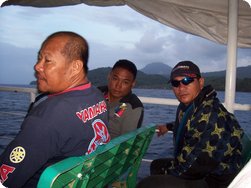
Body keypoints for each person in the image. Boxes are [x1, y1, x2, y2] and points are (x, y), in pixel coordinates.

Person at [0, 31, 110, 188]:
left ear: (75, 67)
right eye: (39, 58)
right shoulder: (97, 96)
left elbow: (6, 178)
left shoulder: (48, 117)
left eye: (47, 60)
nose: (37, 66)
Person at [137, 60, 243, 188]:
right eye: (176, 83)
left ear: (201, 82)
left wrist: (164, 175)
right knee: (156, 165)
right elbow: (190, 124)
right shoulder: (196, 105)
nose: (181, 88)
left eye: (187, 80)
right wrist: (169, 126)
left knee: (148, 184)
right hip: (203, 167)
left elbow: (192, 168)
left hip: (215, 179)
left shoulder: (210, 115)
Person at [98, 59, 144, 139]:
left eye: (125, 82)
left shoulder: (133, 107)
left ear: (132, 84)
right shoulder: (95, 94)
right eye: (115, 79)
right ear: (109, 76)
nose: (118, 86)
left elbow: (126, 144)